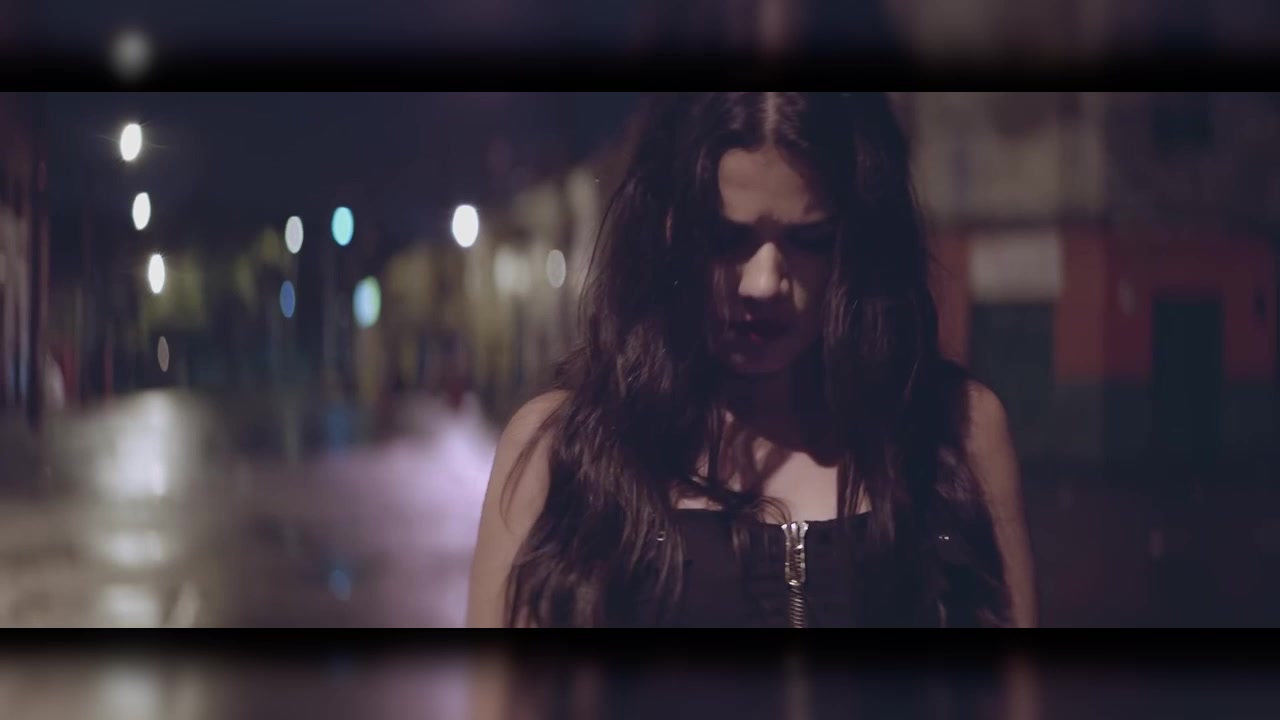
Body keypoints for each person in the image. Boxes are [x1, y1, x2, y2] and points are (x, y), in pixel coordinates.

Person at [467, 92, 1036, 629]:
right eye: (726, 238)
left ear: (857, 240)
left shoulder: (955, 434)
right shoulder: (561, 455)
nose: (764, 283)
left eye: (809, 239)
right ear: (669, 232)